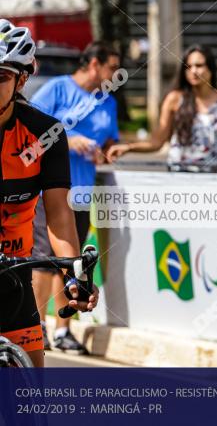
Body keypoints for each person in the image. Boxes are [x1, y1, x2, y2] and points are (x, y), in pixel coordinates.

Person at [0, 19, 98, 367]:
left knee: (30, 398)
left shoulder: (46, 135)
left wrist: (74, 273)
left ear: (21, 80)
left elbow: (58, 215)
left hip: (13, 279)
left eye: (1, 77)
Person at [29, 41, 121, 354]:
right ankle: (36, 326)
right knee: (44, 259)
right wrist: (69, 141)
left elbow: (110, 139)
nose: (115, 73)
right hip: (49, 189)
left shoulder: (107, 99)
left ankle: (62, 329)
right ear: (94, 64)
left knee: (72, 262)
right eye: (112, 66)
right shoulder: (57, 89)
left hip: (82, 191)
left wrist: (110, 150)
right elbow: (32, 130)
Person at [106, 44, 217, 171]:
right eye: (188, 66)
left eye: (199, 65)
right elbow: (157, 142)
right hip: (181, 177)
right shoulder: (174, 99)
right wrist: (129, 147)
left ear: (211, 68)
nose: (193, 71)